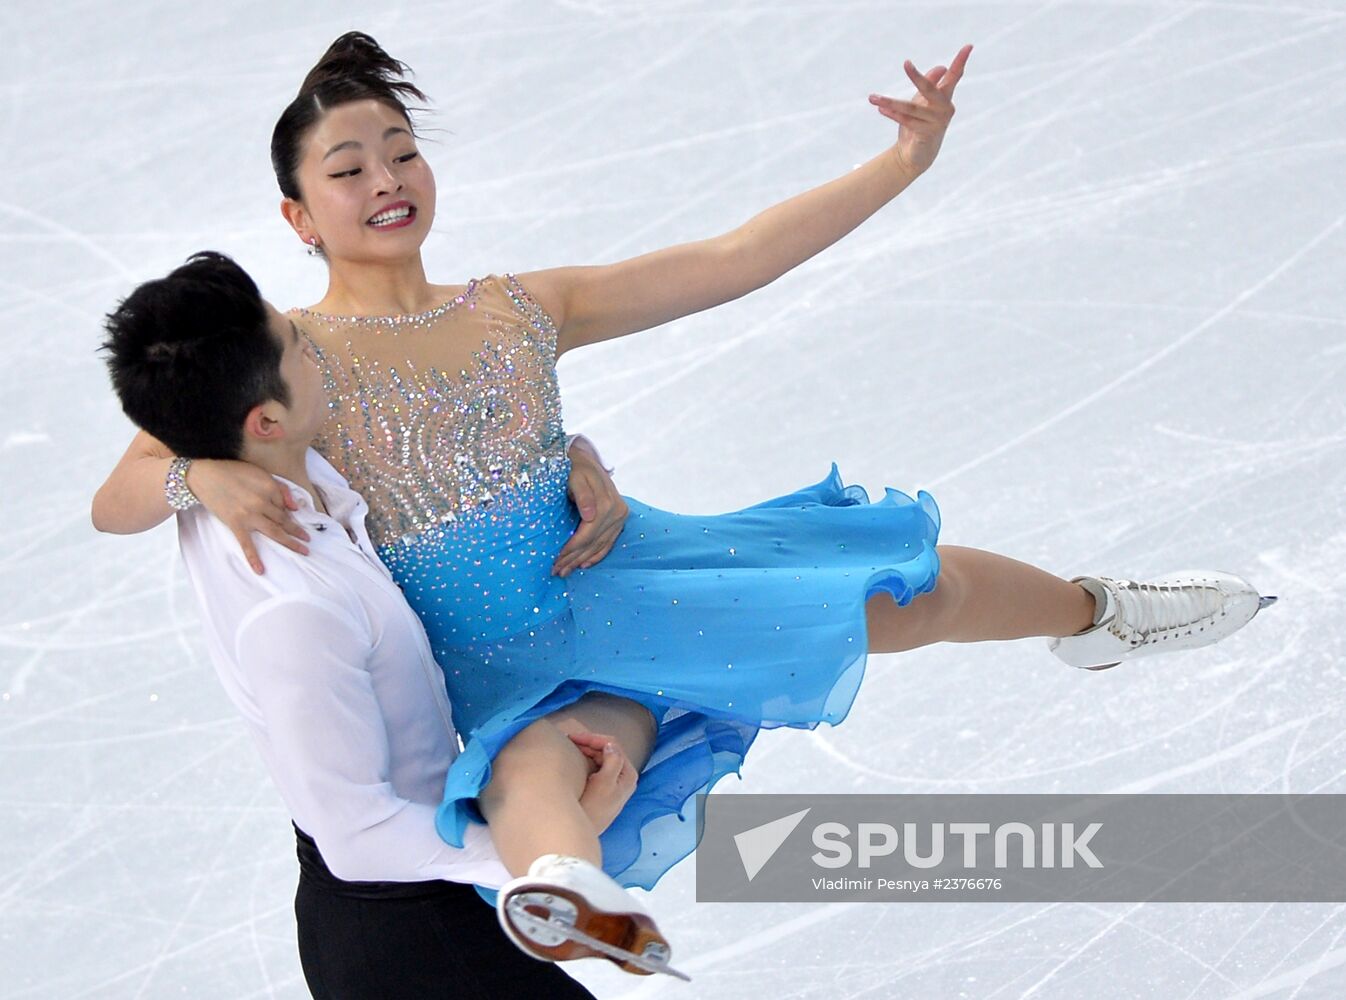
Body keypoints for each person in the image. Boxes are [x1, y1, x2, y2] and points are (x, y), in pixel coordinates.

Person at [92, 31, 1276, 978]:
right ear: (299, 218)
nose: (386, 181)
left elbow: (730, 258)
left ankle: (1098, 612)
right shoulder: (287, 355)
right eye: (347, 170)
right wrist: (198, 473)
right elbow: (118, 494)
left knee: (900, 592)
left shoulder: (518, 306)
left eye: (399, 151)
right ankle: (573, 901)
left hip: (622, 576)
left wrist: (900, 163)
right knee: (530, 772)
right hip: (496, 658)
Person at [99, 251, 622, 998]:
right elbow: (357, 835)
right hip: (407, 937)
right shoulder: (295, 611)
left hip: (432, 892)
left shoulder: (267, 471)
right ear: (266, 419)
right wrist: (533, 859)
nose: (320, 352)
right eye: (299, 348)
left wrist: (573, 457)